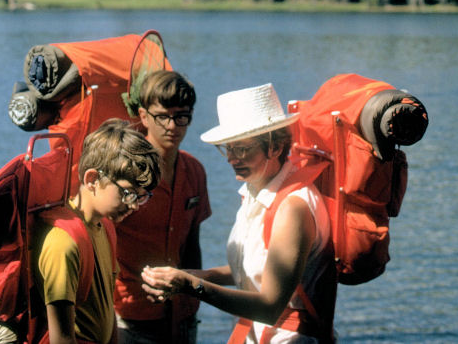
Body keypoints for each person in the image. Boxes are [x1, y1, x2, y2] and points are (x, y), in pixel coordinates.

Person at [141, 83, 337, 344]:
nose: (232, 158)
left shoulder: (293, 208)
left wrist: (192, 287)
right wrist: (196, 276)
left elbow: (270, 306)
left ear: (275, 147)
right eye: (228, 148)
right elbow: (255, 269)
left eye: (242, 149)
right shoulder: (255, 191)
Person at [32, 118, 161, 344]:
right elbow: (61, 338)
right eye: (128, 193)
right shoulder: (63, 243)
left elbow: (107, 309)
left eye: (141, 197)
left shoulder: (106, 228)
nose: (133, 206)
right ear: (92, 179)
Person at [114, 70, 212, 344]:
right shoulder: (125, 171)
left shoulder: (195, 171)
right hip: (128, 316)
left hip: (181, 315)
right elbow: (99, 237)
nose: (172, 126)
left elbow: (193, 241)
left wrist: (194, 296)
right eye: (162, 117)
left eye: (181, 116)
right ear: (144, 116)